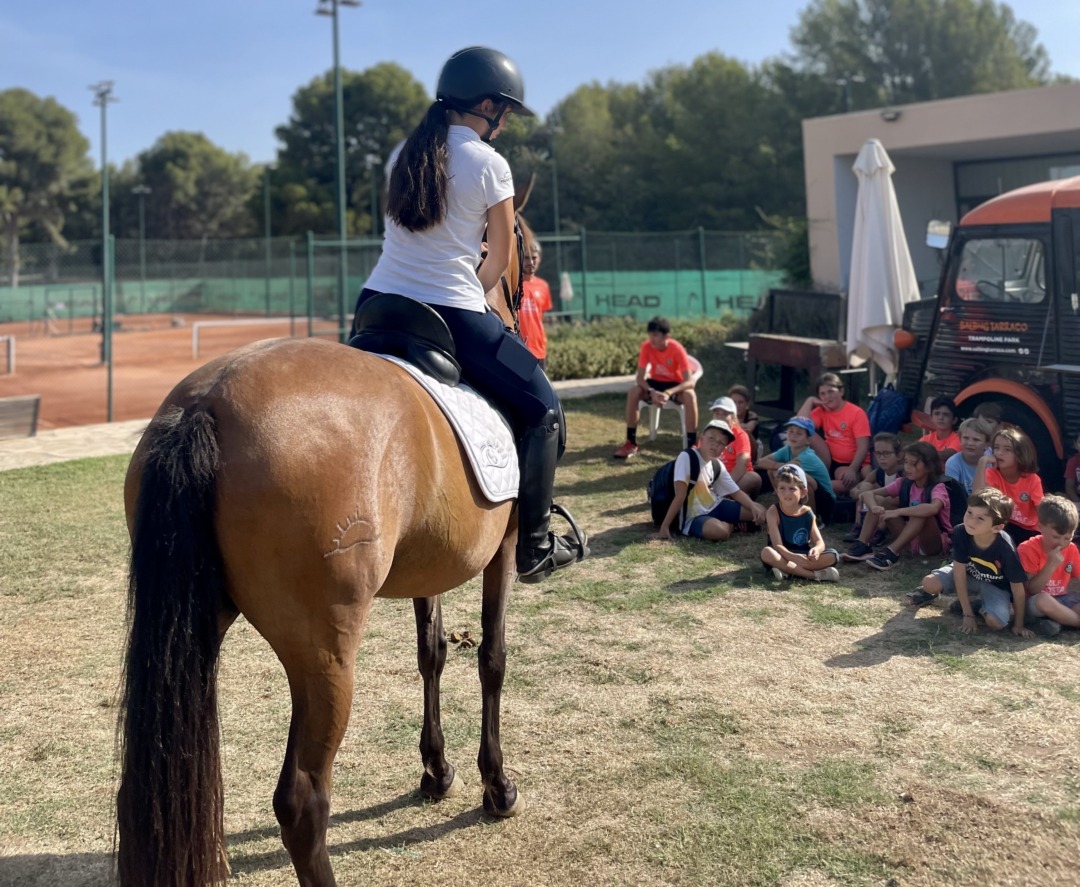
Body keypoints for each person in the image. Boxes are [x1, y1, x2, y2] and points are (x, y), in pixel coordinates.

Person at [350, 47, 586, 582]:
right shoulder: (488, 163)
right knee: (544, 409)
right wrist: (477, 292)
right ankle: (536, 546)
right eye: (504, 112)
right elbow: (500, 258)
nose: (503, 124)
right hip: (450, 311)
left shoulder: (402, 153)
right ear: (486, 105)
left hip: (376, 305)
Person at [909, 488, 1034, 638]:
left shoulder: (1005, 548)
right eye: (969, 513)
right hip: (970, 575)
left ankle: (977, 605)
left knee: (997, 623)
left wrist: (1019, 625)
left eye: (980, 518)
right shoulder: (961, 532)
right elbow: (959, 573)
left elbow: (1018, 589)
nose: (970, 520)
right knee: (929, 583)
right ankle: (950, 601)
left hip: (995, 585)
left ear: (997, 527)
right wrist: (967, 615)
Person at [842, 441, 952, 570]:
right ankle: (863, 544)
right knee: (878, 500)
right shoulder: (903, 483)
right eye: (906, 462)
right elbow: (868, 494)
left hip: (932, 543)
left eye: (913, 464)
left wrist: (899, 512)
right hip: (909, 539)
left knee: (921, 512)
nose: (907, 468)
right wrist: (874, 507)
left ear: (929, 467)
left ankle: (892, 552)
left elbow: (933, 508)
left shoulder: (938, 487)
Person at [657, 420, 766, 541]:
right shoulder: (687, 457)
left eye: (720, 443)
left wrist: (752, 506)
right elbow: (680, 495)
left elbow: (735, 492)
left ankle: (734, 522)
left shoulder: (716, 464)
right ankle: (733, 525)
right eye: (711, 438)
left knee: (761, 512)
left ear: (724, 448)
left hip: (716, 505)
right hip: (693, 516)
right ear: (701, 438)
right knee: (720, 532)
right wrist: (665, 526)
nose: (715, 445)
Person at [614, 316, 698, 459]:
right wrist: (652, 392)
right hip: (654, 383)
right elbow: (640, 378)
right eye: (650, 335)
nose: (652, 339)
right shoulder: (646, 347)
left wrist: (668, 392)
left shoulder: (677, 348)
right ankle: (631, 443)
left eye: (656, 335)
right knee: (633, 392)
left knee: (690, 395)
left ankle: (692, 447)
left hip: (673, 385)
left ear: (667, 336)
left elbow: (690, 381)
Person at [760, 463, 840, 582]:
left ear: (803, 492)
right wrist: (792, 557)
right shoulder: (773, 512)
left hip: (803, 556)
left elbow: (819, 542)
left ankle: (788, 571)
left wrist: (816, 550)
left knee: (833, 555)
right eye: (782, 488)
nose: (787, 493)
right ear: (776, 490)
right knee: (766, 552)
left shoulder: (807, 513)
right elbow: (777, 545)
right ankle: (814, 575)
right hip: (782, 554)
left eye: (792, 488)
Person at [797, 372, 870, 497]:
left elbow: (863, 446)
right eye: (822, 394)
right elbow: (799, 426)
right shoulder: (822, 410)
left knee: (846, 482)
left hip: (850, 463)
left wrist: (852, 469)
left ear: (841, 391)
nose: (827, 397)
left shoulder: (856, 413)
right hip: (828, 458)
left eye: (831, 392)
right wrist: (810, 401)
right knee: (805, 431)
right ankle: (816, 484)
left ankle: (815, 485)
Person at [1018, 495, 1080, 637]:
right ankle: (1072, 622)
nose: (1062, 543)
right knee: (1043, 599)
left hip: (1062, 599)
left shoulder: (1071, 549)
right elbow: (1032, 589)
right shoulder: (1028, 548)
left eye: (1067, 538)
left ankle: (1056, 623)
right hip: (1034, 602)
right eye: (1056, 537)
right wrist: (1051, 565)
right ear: (1040, 527)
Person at [756, 416, 836, 524]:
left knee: (801, 479)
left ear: (809, 440)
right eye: (790, 431)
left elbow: (787, 471)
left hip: (825, 502)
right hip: (808, 492)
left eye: (799, 433)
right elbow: (760, 462)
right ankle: (788, 507)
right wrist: (781, 465)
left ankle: (812, 519)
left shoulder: (807, 456)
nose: (793, 435)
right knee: (773, 470)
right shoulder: (787, 449)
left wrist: (782, 466)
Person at [973, 427, 1043, 545]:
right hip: (1003, 525)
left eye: (1007, 449)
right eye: (996, 448)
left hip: (1029, 529)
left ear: (1020, 454)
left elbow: (1041, 509)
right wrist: (982, 462)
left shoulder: (1032, 479)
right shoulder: (992, 473)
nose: (999, 452)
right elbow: (977, 498)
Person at [844, 432, 902, 543]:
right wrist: (860, 493)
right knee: (866, 486)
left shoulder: (902, 473)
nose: (882, 458)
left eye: (886, 453)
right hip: (877, 509)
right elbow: (854, 490)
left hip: (896, 513)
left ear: (898, 455)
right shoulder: (878, 472)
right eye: (878, 454)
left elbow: (900, 500)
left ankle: (880, 530)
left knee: (877, 498)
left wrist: (873, 496)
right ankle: (859, 525)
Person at [709, 395, 762, 499]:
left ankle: (722, 496)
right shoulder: (708, 434)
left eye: (725, 414)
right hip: (714, 476)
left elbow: (742, 465)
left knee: (753, 478)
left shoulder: (740, 435)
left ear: (733, 417)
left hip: (737, 477)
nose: (720, 417)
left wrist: (724, 485)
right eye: (717, 413)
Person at [518, 239, 553, 370]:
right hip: (518, 348)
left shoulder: (543, 286)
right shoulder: (512, 285)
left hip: (539, 349)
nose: (530, 263)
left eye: (534, 258)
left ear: (540, 259)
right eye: (526, 258)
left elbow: (540, 318)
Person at [945, 417, 994, 494]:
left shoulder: (992, 460)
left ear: (987, 444)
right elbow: (954, 496)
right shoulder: (952, 463)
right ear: (960, 440)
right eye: (966, 438)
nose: (970, 443)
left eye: (976, 440)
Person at [919, 396, 961, 460]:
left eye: (946, 414)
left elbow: (948, 454)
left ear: (954, 420)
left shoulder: (959, 439)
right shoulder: (926, 439)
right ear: (931, 418)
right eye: (937, 413)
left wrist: (922, 454)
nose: (941, 417)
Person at [727, 384, 761, 460]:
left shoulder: (751, 416)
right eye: (734, 402)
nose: (737, 405)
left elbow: (745, 430)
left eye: (740, 402)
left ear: (747, 404)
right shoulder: (726, 415)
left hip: (752, 445)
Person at [1064, 432, 1080, 507]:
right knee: (1058, 495)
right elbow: (1069, 486)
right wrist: (1078, 502)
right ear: (1075, 445)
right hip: (1077, 498)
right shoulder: (1073, 462)